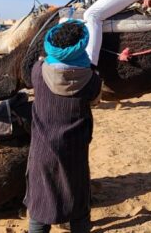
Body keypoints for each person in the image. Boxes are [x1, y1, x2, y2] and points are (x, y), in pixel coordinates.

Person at [25, 20, 102, 233]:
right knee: (79, 210)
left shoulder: (38, 71)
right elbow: (95, 100)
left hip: (42, 153)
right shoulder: (92, 81)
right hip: (75, 155)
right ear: (81, 46)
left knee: (39, 211)